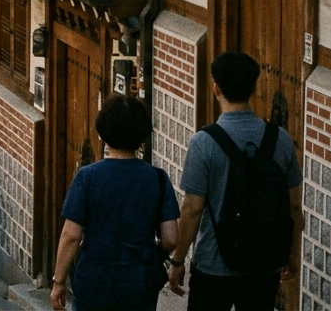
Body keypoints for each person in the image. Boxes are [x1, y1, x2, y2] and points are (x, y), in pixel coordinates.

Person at [168, 51, 303, 310]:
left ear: (215, 88)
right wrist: (292, 254)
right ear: (254, 87)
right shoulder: (280, 139)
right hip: (265, 262)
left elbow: (193, 208)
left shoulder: (204, 142)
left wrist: (178, 261)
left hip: (213, 264)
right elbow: (294, 207)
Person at [51, 94, 179, 311]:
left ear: (103, 132)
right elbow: (170, 238)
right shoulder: (157, 178)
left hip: (94, 279)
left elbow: (71, 235)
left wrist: (59, 281)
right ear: (142, 136)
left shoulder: (88, 177)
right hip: (139, 281)